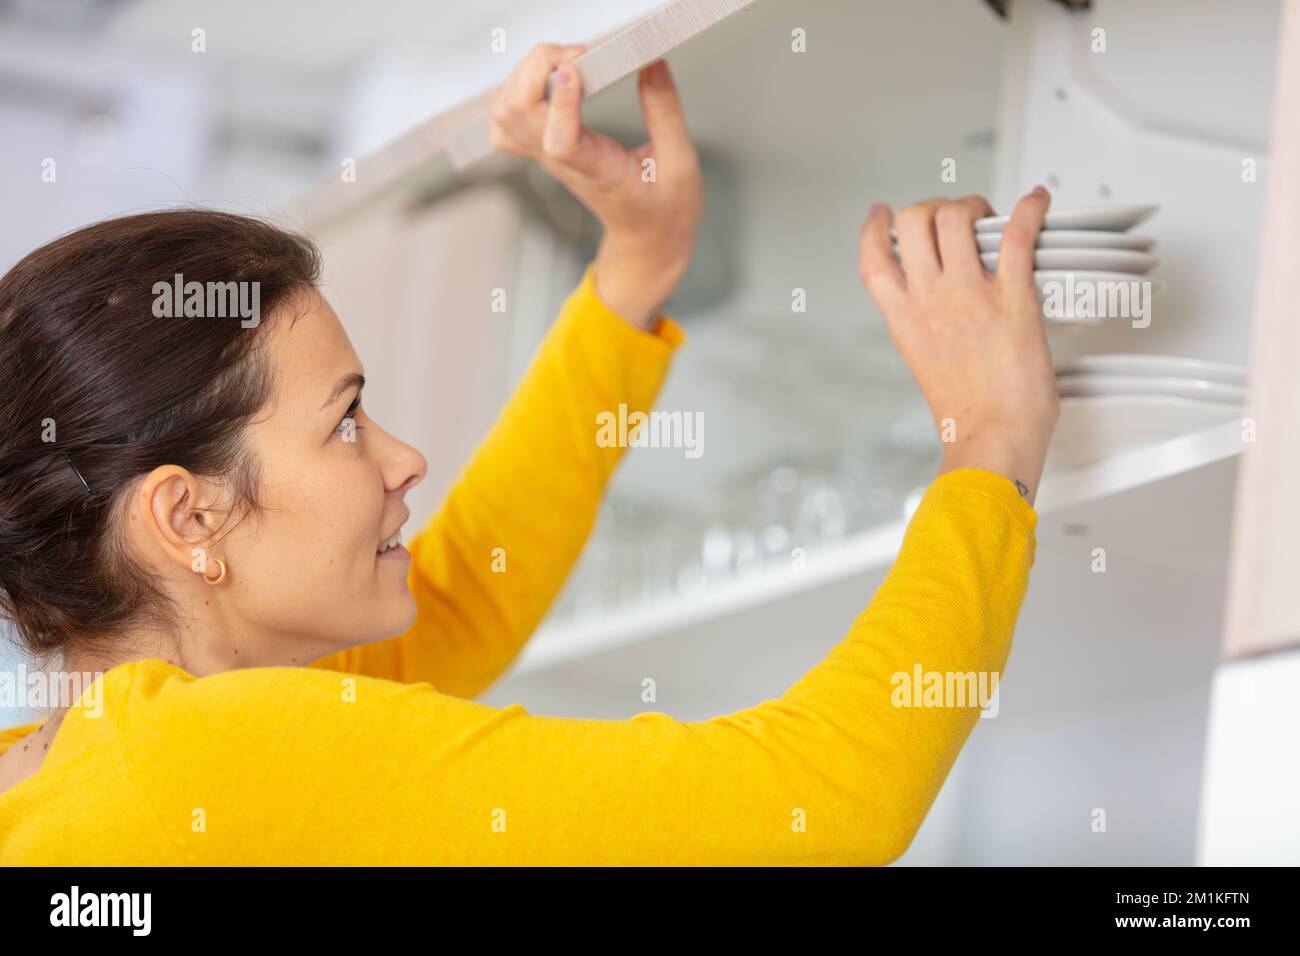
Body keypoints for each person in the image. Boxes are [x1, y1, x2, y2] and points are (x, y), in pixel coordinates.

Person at [0, 44, 1057, 864]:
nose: (403, 457)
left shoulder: (58, 778)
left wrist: (637, 268)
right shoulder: (203, 758)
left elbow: (459, 600)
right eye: (345, 422)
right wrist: (991, 441)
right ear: (190, 517)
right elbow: (828, 797)